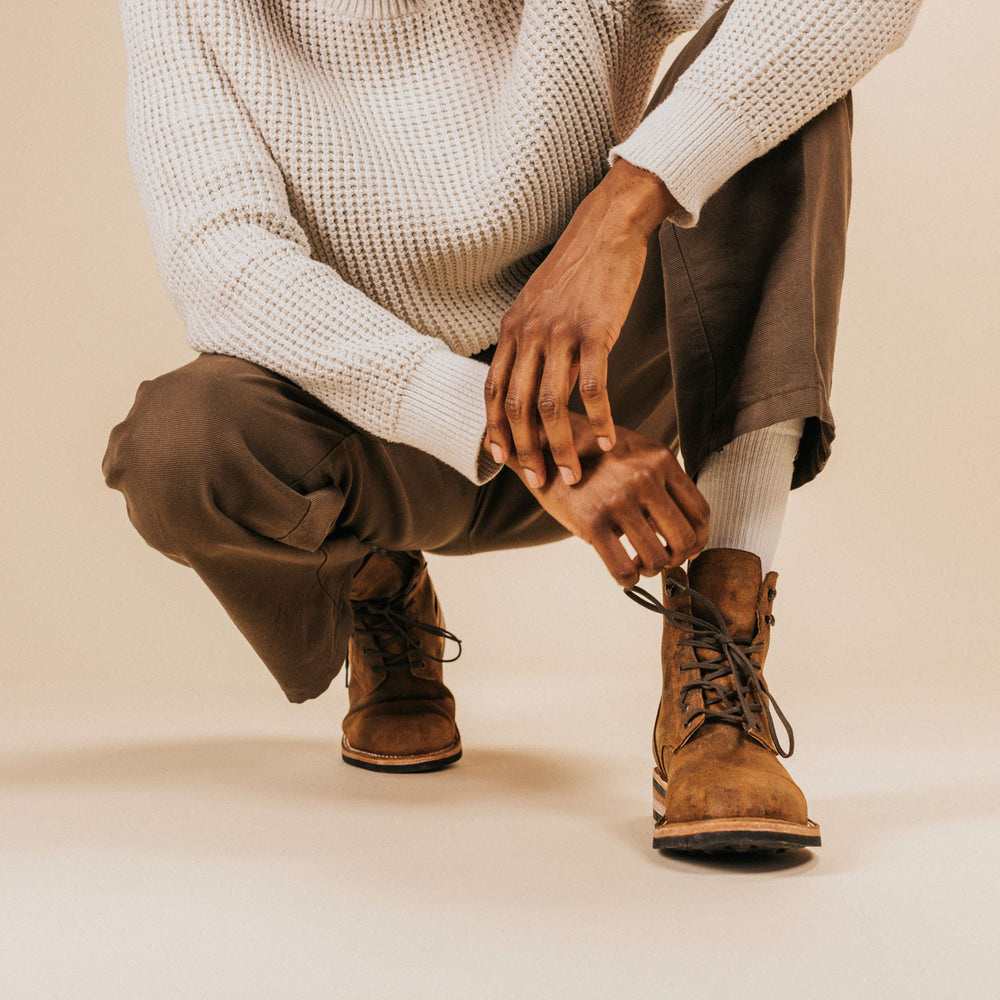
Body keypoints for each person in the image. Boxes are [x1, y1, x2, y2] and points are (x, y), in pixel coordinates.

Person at [102, 0, 923, 853]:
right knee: (178, 447)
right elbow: (220, 262)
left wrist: (627, 204)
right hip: (386, 437)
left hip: (606, 374)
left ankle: (717, 648)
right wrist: (523, 441)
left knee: (790, 74)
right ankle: (375, 583)